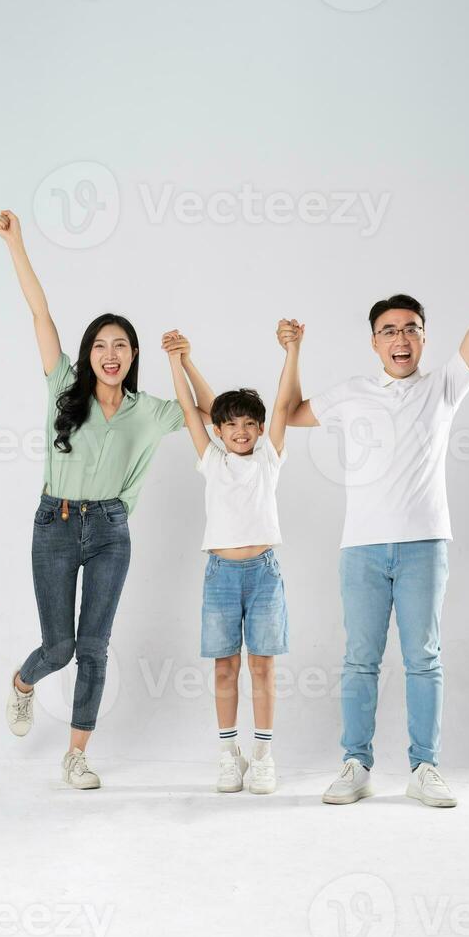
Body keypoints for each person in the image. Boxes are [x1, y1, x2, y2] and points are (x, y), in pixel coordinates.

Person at [277, 216, 469, 807]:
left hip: (424, 545)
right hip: (360, 548)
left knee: (423, 659)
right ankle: (355, 763)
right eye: (389, 330)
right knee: (359, 659)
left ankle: (424, 767)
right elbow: (287, 412)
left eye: (411, 328)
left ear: (424, 338)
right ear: (375, 341)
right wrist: (293, 351)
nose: (401, 338)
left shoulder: (444, 387)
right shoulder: (352, 392)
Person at [0, 209, 213, 789]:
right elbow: (39, 312)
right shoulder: (63, 387)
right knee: (60, 647)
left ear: (133, 356)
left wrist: (182, 362)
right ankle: (22, 682)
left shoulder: (150, 413)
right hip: (56, 525)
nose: (110, 354)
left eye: (121, 346)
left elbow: (215, 413)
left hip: (112, 531)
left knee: (94, 647)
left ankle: (75, 755)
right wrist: (17, 243)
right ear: (88, 353)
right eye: (100, 345)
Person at [162, 323, 304, 794]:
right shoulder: (213, 459)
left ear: (260, 430)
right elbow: (192, 408)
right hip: (221, 574)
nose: (240, 432)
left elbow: (282, 403)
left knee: (262, 665)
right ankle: (229, 754)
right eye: (231, 425)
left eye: (250, 424)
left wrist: (292, 350)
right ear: (218, 431)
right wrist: (177, 361)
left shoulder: (269, 457)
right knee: (224, 666)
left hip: (263, 574)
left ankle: (263, 754)